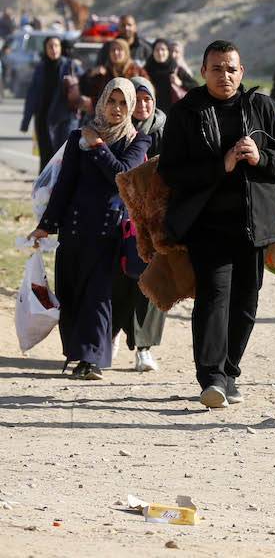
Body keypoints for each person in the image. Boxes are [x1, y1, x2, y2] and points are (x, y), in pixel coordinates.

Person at [157, 40, 275, 408]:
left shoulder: (261, 107)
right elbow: (170, 171)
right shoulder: (186, 112)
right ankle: (211, 378)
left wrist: (262, 157)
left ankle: (230, 372)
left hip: (255, 224)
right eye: (217, 68)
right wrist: (218, 166)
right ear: (203, 71)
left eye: (231, 68)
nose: (225, 75)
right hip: (207, 225)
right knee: (213, 298)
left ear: (242, 72)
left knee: (245, 302)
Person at [28, 79, 151, 380]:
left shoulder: (138, 141)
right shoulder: (76, 137)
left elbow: (122, 175)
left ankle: (91, 359)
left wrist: (96, 145)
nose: (117, 109)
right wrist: (45, 225)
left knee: (98, 297)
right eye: (112, 101)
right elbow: (64, 186)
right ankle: (76, 353)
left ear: (132, 107)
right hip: (73, 230)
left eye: (124, 103)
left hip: (108, 234)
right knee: (71, 295)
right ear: (102, 102)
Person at [109, 77, 167, 371]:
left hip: (157, 219)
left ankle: (144, 349)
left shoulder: (167, 131)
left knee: (153, 281)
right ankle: (114, 333)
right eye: (138, 99)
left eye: (148, 99)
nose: (143, 105)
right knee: (119, 280)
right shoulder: (117, 132)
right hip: (121, 219)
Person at [21, 36, 86, 171]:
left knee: (63, 154)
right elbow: (32, 94)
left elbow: (85, 83)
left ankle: (61, 186)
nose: (53, 49)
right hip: (43, 117)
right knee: (45, 154)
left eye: (56, 46)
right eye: (50, 46)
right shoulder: (40, 67)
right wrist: (26, 121)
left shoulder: (70, 65)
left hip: (65, 117)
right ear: (45, 49)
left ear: (61, 48)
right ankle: (44, 186)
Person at [83, 38, 148, 102]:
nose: (116, 52)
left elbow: (146, 92)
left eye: (119, 49)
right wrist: (92, 74)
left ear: (126, 52)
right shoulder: (104, 72)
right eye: (113, 50)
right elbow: (88, 92)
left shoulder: (137, 71)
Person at [144, 38, 197, 107]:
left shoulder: (176, 69)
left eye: (163, 49)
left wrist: (181, 83)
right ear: (152, 52)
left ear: (168, 51)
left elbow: (195, 87)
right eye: (157, 50)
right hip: (154, 113)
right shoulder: (146, 71)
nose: (160, 52)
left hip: (175, 113)